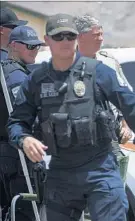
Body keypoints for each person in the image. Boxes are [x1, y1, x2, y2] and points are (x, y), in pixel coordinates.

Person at [6, 13, 135, 221]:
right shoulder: (36, 80)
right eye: (59, 37)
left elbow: (134, 111)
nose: (65, 42)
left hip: (100, 167)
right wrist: (24, 139)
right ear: (47, 40)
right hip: (61, 171)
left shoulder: (100, 73)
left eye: (70, 36)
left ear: (77, 38)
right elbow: (16, 123)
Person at [74, 14, 133, 166]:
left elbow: (126, 96)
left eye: (101, 34)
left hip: (112, 135)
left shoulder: (109, 61)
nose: (100, 38)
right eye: (95, 35)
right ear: (81, 37)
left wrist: (126, 125)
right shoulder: (66, 64)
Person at [0, 25, 44, 221]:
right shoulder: (15, 75)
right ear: (15, 45)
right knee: (27, 209)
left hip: (11, 151)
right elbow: (24, 114)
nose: (34, 51)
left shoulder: (14, 71)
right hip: (17, 154)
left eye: (37, 47)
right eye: (30, 46)